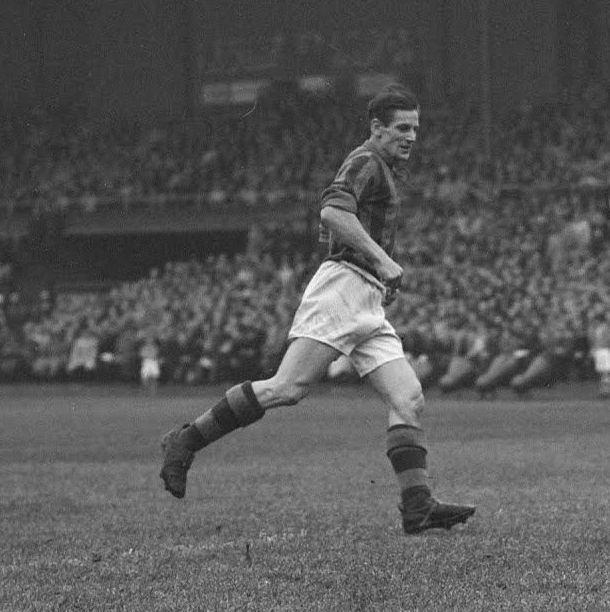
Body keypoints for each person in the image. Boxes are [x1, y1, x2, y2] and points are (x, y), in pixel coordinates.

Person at [158, 85, 476, 535]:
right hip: (342, 290)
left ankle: (417, 505)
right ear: (377, 128)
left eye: (416, 129)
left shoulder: (381, 166)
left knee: (408, 398)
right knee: (287, 388)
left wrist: (378, 276)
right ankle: (185, 440)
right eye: (402, 128)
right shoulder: (366, 161)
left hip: (365, 297)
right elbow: (332, 212)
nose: (411, 137)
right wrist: (383, 262)